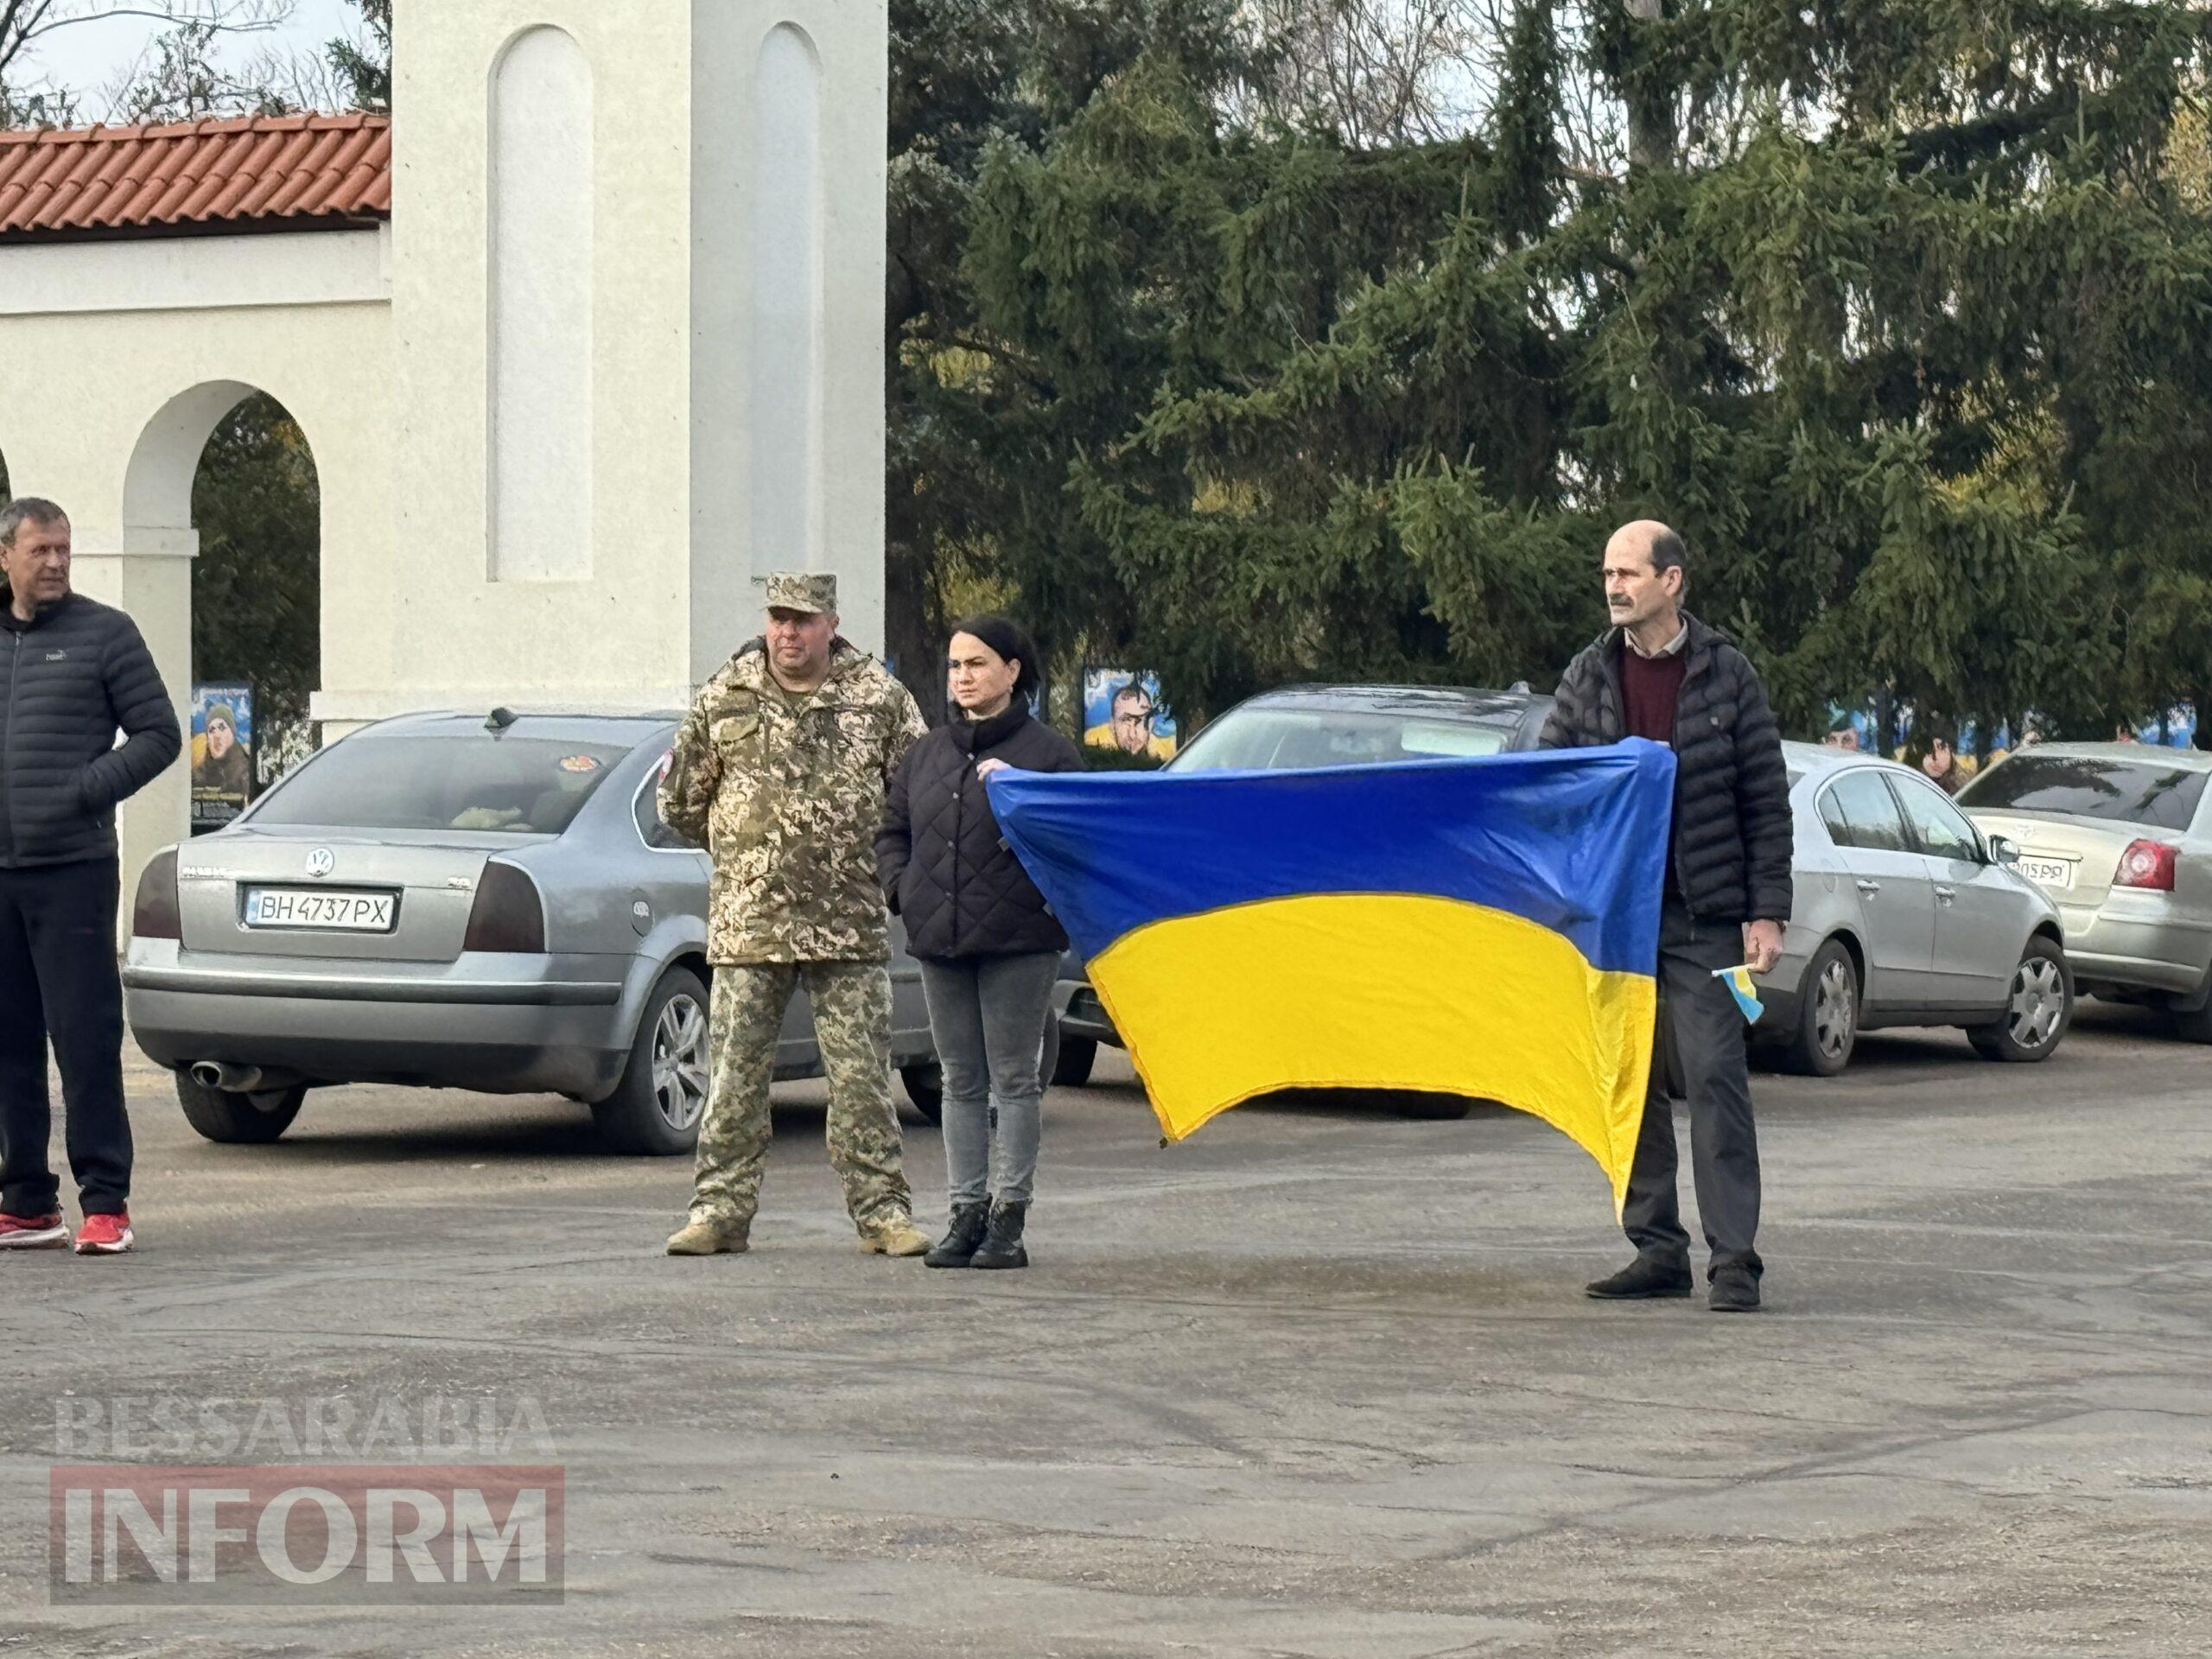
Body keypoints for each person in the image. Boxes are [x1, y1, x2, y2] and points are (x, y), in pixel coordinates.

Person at [1538, 519, 1792, 1313]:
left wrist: (1768, 912)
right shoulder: (1588, 676)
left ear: (1672, 581)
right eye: (1607, 574)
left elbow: (1764, 801)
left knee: (1715, 1075)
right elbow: (1552, 786)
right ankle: (1656, 1249)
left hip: (1705, 918)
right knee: (1630, 1080)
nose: (1614, 587)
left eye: (1629, 573)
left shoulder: (1727, 675)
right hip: (1616, 920)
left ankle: (1736, 1261)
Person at [658, 572, 933, 1259]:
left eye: (804, 620)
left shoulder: (878, 697)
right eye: (779, 618)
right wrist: (748, 853)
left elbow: (917, 796)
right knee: (733, 1080)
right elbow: (681, 801)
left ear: (831, 623)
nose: (789, 632)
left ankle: (883, 1215)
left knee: (863, 1080)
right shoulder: (727, 693)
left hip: (849, 922)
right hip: (750, 923)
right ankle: (718, 1213)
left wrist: (879, 868)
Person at [0, 498, 181, 1257]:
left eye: (64, 551)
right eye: (40, 550)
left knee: (84, 1038)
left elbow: (160, 735)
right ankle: (27, 1203)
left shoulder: (106, 634)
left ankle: (106, 1202)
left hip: (72, 869)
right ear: (5, 553)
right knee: (9, 1043)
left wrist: (83, 788)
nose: (55, 564)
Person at [877, 615, 1082, 1270]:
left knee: (1014, 1080)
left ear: (1013, 671)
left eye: (978, 664)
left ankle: (1008, 1222)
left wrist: (1017, 793)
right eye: (955, 665)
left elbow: (1075, 838)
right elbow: (892, 832)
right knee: (960, 1082)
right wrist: (903, 891)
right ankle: (964, 1215)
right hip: (940, 935)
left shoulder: (1047, 756)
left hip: (1020, 941)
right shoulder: (927, 754)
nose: (963, 677)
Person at [1085, 682, 1175, 760]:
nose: (1132, 735)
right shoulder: (1091, 739)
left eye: (1139, 721)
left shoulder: (1169, 749)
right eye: (1124, 721)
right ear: (1112, 725)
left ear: (1151, 723)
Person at [191, 700, 254, 801]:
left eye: (222, 728)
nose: (217, 736)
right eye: (212, 730)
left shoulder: (246, 770)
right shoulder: (200, 771)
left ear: (232, 733)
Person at [1919, 732, 1967, 796]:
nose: (1935, 758)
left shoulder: (1961, 789)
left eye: (1941, 749)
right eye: (1930, 752)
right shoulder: (1916, 784)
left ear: (1952, 755)